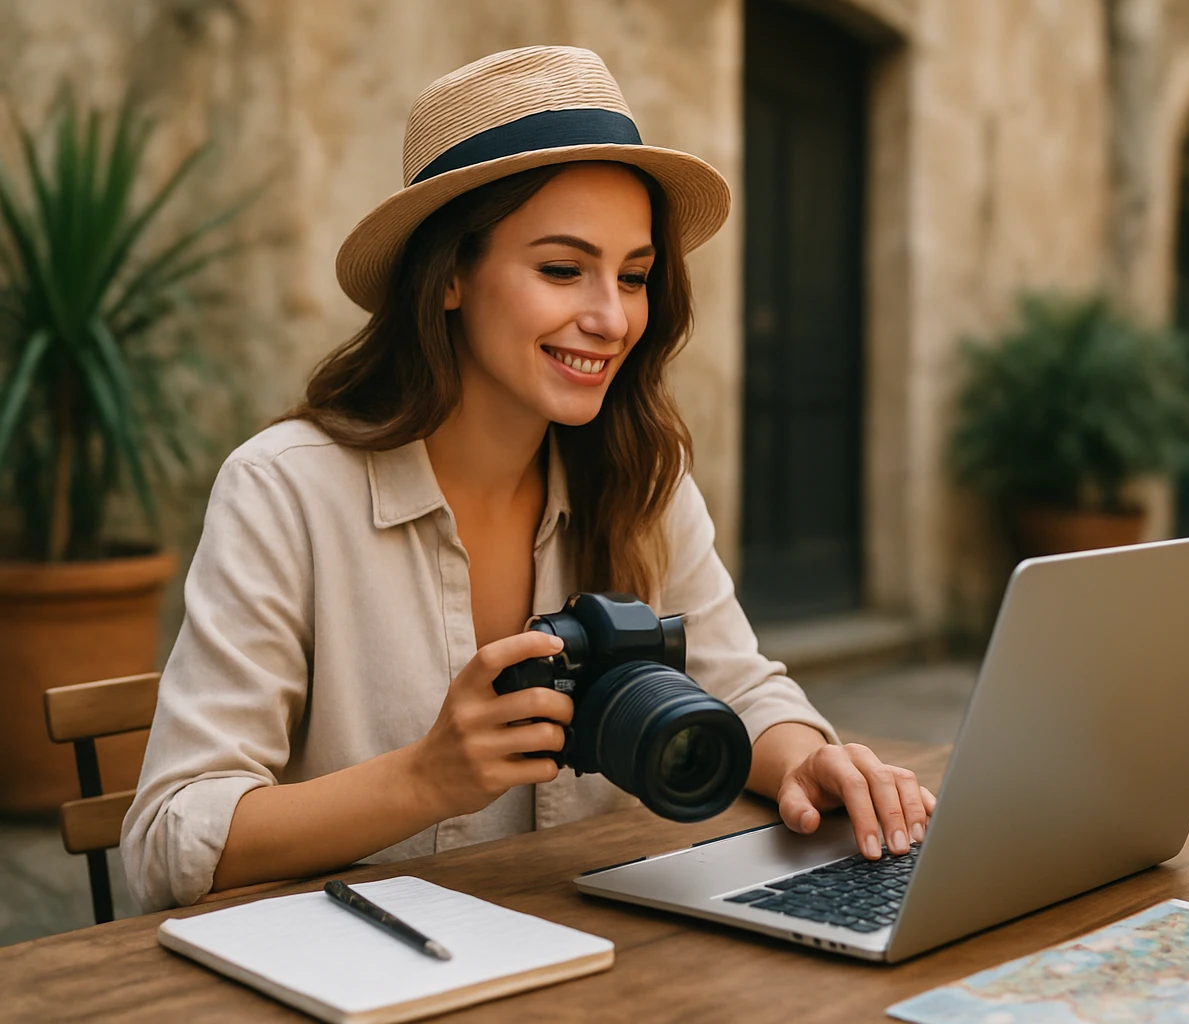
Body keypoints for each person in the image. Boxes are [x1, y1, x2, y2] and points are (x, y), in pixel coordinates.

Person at [122, 46, 934, 912]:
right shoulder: (285, 491)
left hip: (609, 966)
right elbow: (171, 839)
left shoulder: (643, 474)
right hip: (373, 979)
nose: (611, 317)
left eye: (633, 275)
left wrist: (805, 758)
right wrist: (427, 779)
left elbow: (741, 685)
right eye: (561, 269)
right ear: (449, 279)